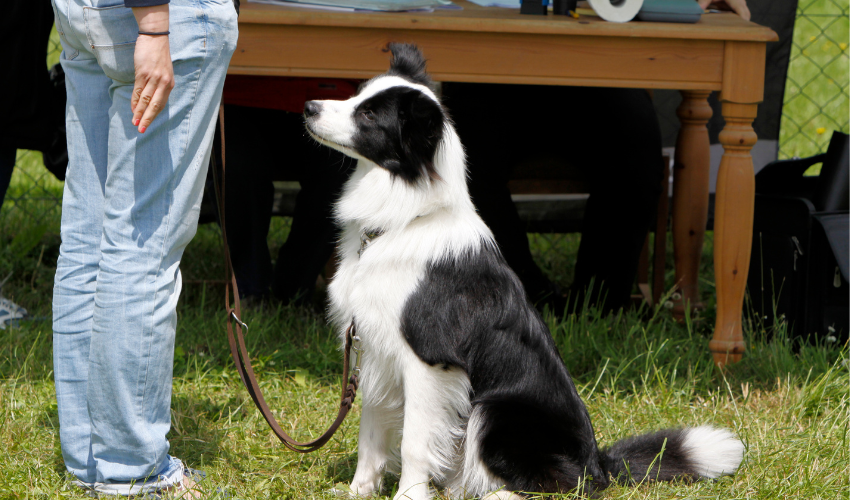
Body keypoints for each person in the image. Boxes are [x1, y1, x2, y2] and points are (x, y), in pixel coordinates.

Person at [50, 0, 237, 496]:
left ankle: (89, 455)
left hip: (84, 12)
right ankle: (130, 467)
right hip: (160, 18)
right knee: (142, 245)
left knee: (89, 240)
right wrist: (155, 23)